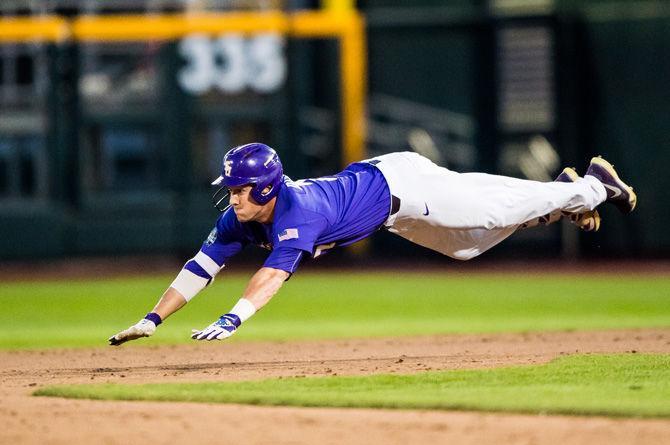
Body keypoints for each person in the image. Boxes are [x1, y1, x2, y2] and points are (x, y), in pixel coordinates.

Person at [108, 143, 636, 345]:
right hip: (389, 208)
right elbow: (201, 266)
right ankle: (562, 198)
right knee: (469, 248)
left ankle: (591, 187)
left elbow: (272, 275)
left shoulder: (297, 213)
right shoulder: (240, 218)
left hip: (403, 188)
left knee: (488, 209)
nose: (233, 197)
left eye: (240, 188)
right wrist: (154, 318)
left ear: (266, 187)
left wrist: (233, 318)